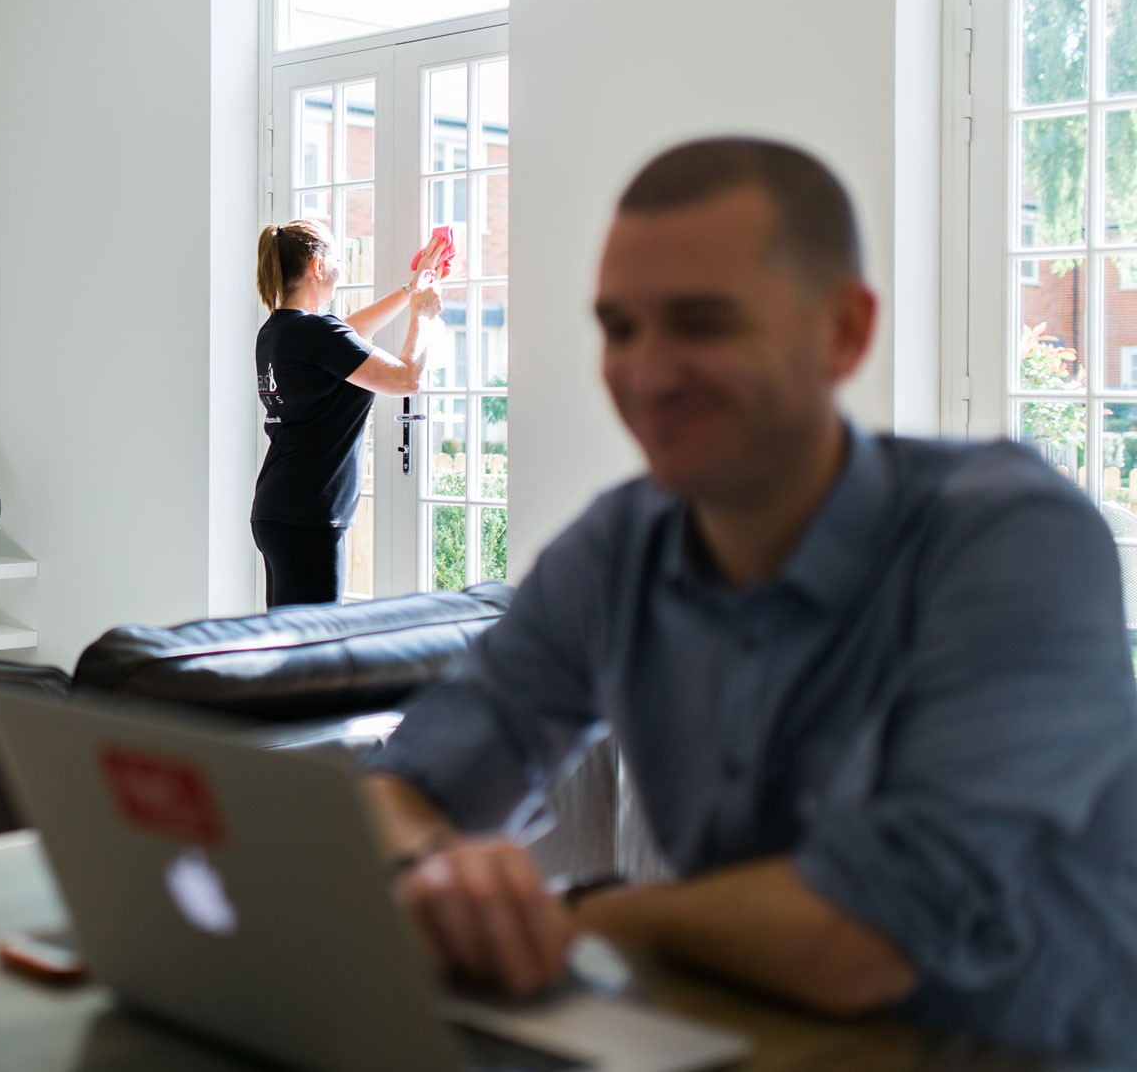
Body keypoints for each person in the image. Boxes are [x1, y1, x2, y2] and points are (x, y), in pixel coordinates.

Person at [366, 137, 1137, 1058]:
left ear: (845, 332)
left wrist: (574, 909)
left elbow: (867, 939)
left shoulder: (1015, 540)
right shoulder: (617, 545)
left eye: (702, 324)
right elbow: (404, 787)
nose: (646, 374)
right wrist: (429, 867)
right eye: (619, 327)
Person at [252, 221, 448, 606]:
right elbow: (407, 378)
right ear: (317, 266)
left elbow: (349, 333)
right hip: (310, 516)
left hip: (278, 511)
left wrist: (411, 289)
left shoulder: (278, 331)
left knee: (291, 646)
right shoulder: (316, 334)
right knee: (316, 650)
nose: (342, 266)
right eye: (338, 257)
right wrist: (421, 315)